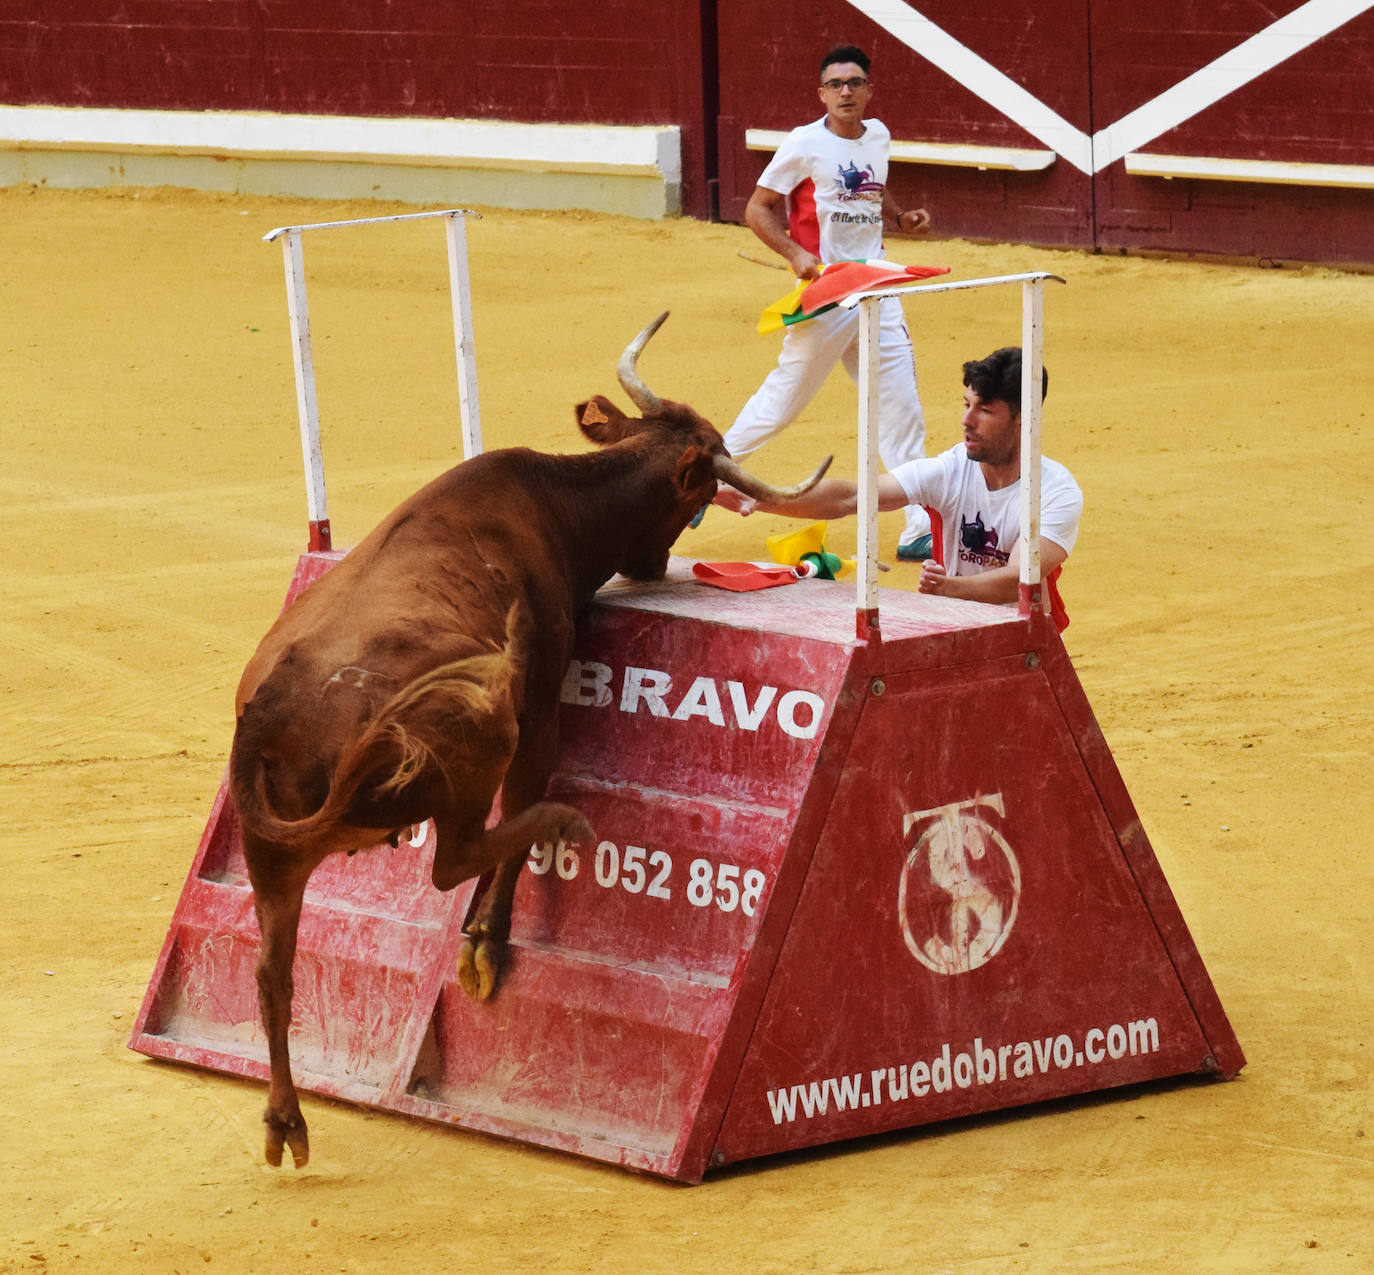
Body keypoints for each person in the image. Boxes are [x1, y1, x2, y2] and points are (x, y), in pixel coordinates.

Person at [723, 43, 936, 561]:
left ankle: (918, 524)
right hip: (826, 292)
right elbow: (758, 209)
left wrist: (899, 217)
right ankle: (704, 476)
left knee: (901, 407)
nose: (846, 91)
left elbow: (870, 188)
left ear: (869, 90)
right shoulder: (804, 143)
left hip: (877, 286)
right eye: (836, 84)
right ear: (822, 93)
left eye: (855, 83)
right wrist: (796, 254)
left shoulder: (879, 135)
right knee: (783, 400)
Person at [715, 346, 1084, 629]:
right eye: (967, 404)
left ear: (1024, 421)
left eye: (984, 411)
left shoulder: (1055, 492)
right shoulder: (952, 468)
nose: (966, 420)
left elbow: (1019, 582)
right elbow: (851, 496)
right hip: (953, 625)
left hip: (1029, 648)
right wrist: (762, 497)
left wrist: (947, 588)